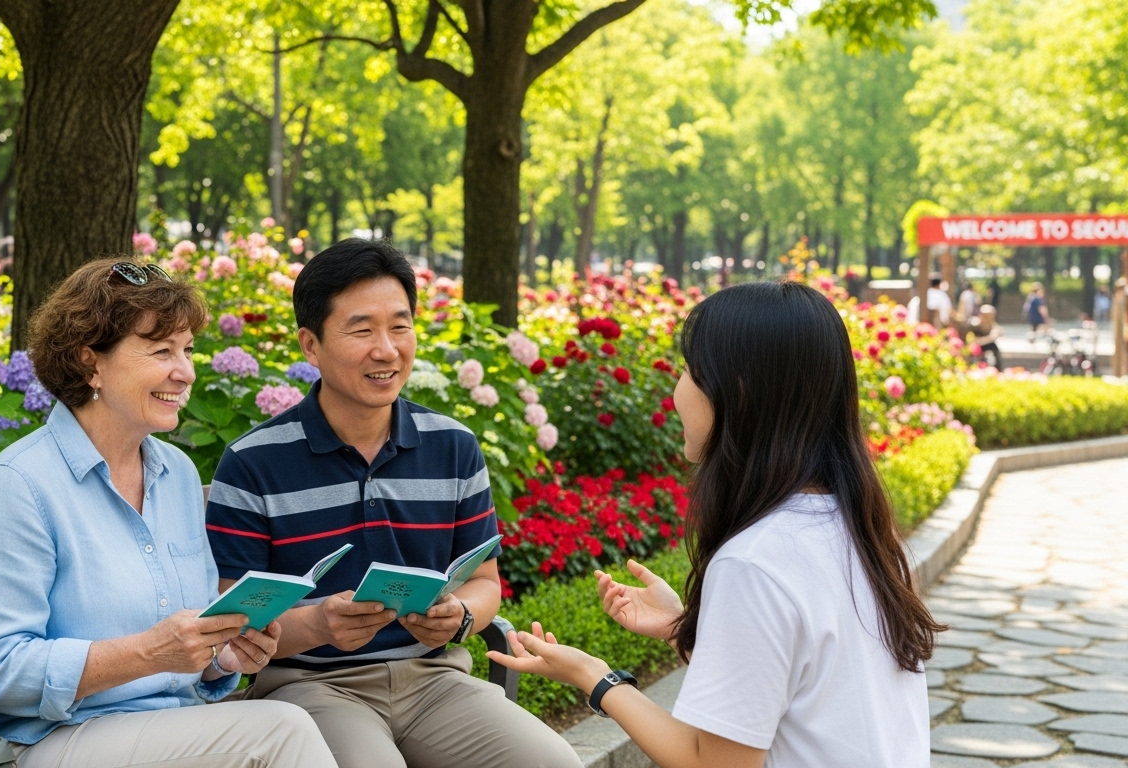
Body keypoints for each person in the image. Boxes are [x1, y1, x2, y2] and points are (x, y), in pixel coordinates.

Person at [487, 280, 939, 768]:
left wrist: (595, 677)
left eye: (688, 370)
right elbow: (803, 691)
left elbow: (712, 764)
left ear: (738, 394)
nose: (677, 390)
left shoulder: (753, 564)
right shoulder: (865, 531)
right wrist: (687, 630)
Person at [205, 239, 582, 768]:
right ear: (310, 346)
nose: (387, 349)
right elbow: (232, 624)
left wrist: (460, 617)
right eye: (361, 330)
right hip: (311, 689)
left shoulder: (452, 446)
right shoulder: (252, 463)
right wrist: (318, 626)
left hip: (436, 681)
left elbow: (485, 583)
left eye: (400, 326)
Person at [0, 257, 336, 768]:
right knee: (282, 730)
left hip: (172, 726)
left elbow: (190, 644)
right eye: (161, 351)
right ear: (90, 361)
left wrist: (223, 656)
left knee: (295, 719)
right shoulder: (20, 484)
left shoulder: (175, 473)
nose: (185, 372)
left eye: (187, 350)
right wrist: (146, 653)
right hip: (56, 740)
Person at [971, 305, 1004, 370]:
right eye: (986, 317)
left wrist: (980, 341)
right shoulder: (974, 325)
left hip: (989, 347)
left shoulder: (994, 326)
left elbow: (995, 334)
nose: (988, 319)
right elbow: (971, 340)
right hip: (976, 348)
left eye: (991, 317)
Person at [1112, 277, 1128, 376]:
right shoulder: (1116, 299)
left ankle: (1123, 372)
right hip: (1118, 329)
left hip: (1124, 328)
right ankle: (1117, 372)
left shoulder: (1125, 300)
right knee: (1118, 351)